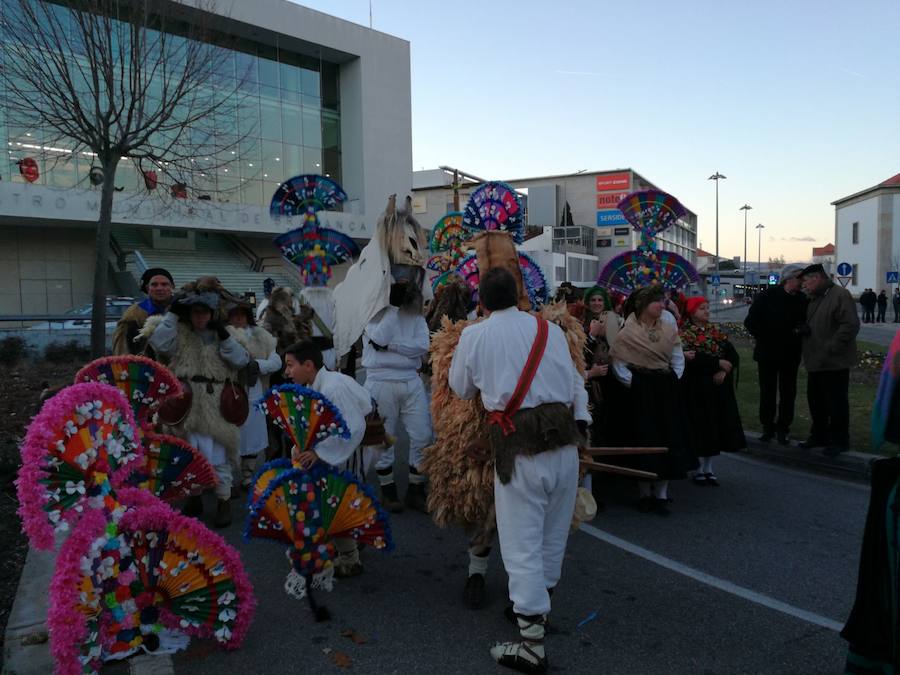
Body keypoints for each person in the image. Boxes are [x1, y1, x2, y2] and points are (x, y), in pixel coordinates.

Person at [449, 267, 589, 675]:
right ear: (519, 296)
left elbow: (461, 389)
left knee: (521, 543)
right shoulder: (550, 332)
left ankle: (532, 646)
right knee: (551, 534)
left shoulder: (475, 335)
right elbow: (576, 383)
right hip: (564, 444)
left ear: (483, 301)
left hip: (518, 450)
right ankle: (533, 614)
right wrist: (582, 422)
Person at [148, 280, 250, 527]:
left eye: (205, 311)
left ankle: (223, 499)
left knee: (220, 453)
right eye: (196, 311)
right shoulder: (178, 333)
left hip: (217, 404)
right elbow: (158, 343)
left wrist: (224, 336)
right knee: (189, 452)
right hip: (187, 402)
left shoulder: (227, 335)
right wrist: (173, 312)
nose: (201, 316)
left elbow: (241, 360)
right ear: (189, 313)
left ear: (213, 313)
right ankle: (194, 498)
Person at [282, 339, 374, 577]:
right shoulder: (315, 386)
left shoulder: (332, 387)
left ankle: (350, 558)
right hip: (338, 449)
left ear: (309, 365)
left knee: (336, 500)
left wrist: (317, 452)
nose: (287, 372)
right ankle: (349, 545)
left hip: (352, 447)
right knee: (330, 499)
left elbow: (352, 427)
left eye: (291, 365)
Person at [610, 285, 693, 515]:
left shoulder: (667, 329)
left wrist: (670, 381)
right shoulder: (628, 331)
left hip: (665, 388)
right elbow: (619, 362)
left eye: (662, 301)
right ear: (644, 306)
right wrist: (636, 384)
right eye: (656, 302)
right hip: (641, 389)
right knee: (643, 438)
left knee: (667, 437)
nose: (662, 305)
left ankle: (662, 494)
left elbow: (677, 357)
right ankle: (644, 493)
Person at [363, 268, 432, 513]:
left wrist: (392, 347)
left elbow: (423, 346)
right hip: (381, 380)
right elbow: (378, 337)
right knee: (382, 437)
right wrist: (392, 308)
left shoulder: (416, 316)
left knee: (423, 435)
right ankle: (388, 489)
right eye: (398, 283)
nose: (403, 285)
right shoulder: (374, 314)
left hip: (410, 380)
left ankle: (415, 488)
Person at [680, 298, 746, 484]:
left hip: (716, 387)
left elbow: (731, 354)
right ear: (692, 312)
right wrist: (716, 363)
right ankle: (698, 467)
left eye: (708, 308)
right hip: (696, 388)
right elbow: (690, 358)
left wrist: (723, 370)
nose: (707, 311)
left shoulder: (715, 332)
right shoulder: (685, 334)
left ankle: (709, 466)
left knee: (715, 426)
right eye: (702, 308)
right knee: (700, 426)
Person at [798, 263, 860, 457]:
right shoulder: (815, 298)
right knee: (816, 402)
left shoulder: (840, 295)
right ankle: (819, 435)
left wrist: (832, 347)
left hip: (834, 362)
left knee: (836, 403)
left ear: (817, 278)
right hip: (816, 361)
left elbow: (850, 325)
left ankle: (840, 440)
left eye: (807, 281)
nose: (804, 285)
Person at [744, 264, 809, 444]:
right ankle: (767, 427)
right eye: (800, 279)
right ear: (789, 279)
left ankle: (783, 428)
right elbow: (750, 322)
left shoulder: (803, 300)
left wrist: (802, 330)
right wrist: (766, 336)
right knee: (768, 392)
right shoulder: (767, 296)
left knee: (789, 392)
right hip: (768, 353)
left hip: (790, 354)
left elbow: (805, 323)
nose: (803, 283)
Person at [226, 302, 281, 489]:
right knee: (230, 433)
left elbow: (276, 361)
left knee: (252, 434)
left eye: (242, 314)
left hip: (254, 389)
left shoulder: (262, 336)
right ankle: (229, 478)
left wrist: (256, 365)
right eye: (234, 315)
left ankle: (248, 474)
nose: (238, 319)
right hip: (229, 391)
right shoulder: (223, 335)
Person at [112, 267, 174, 355]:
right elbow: (122, 346)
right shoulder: (134, 313)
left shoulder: (181, 309)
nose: (159, 288)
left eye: (164, 284)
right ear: (148, 288)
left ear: (172, 287)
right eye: (154, 285)